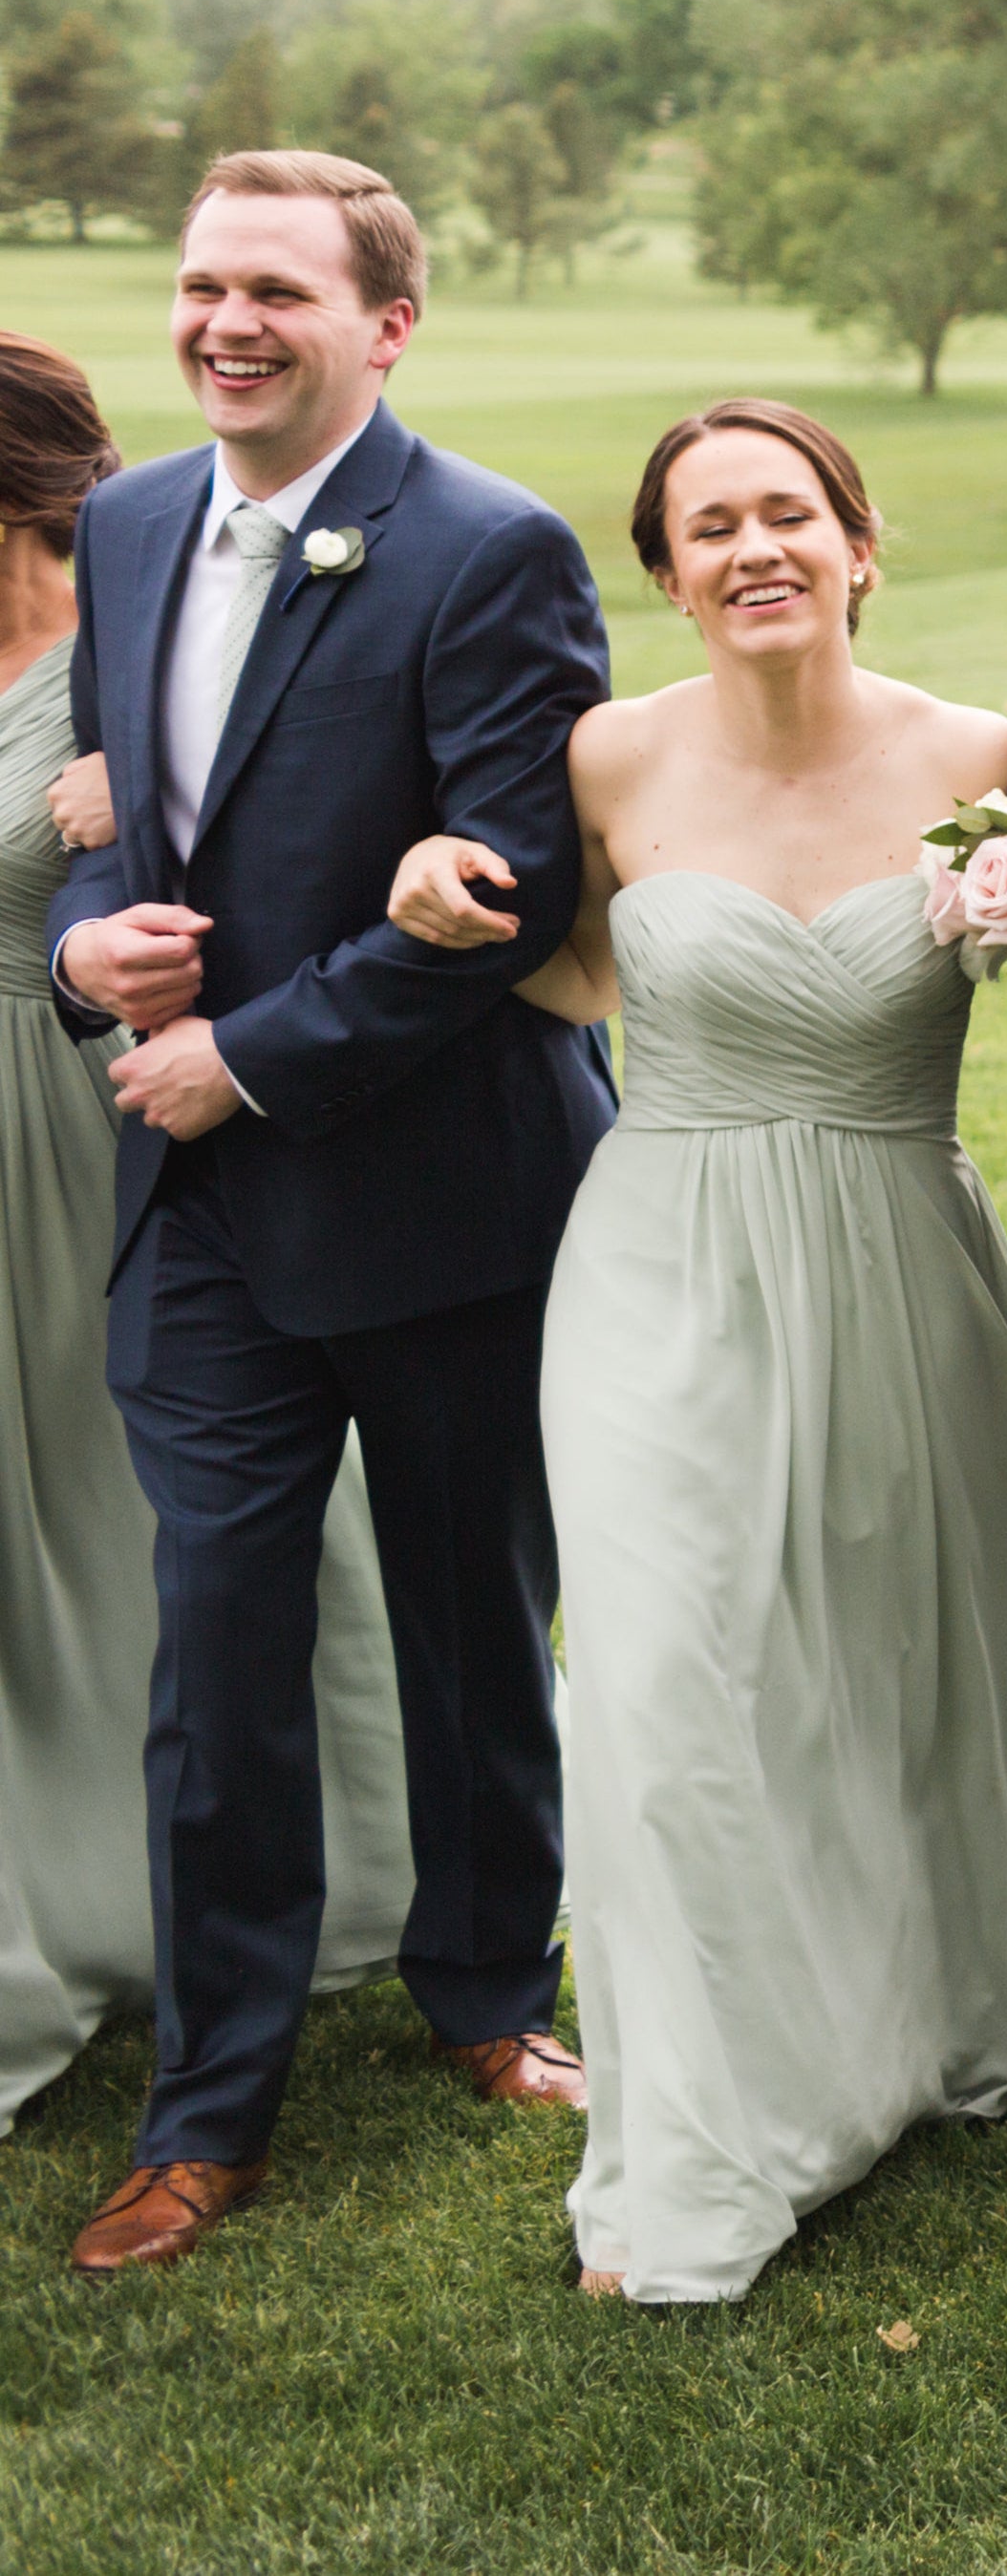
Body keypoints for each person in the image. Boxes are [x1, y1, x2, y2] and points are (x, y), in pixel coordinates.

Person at [378, 400, 1007, 2301]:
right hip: (663, 1255)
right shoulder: (601, 750)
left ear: (858, 540)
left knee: (893, 1651)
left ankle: (907, 2000)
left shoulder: (993, 762)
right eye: (709, 525)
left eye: (789, 513)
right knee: (664, 1683)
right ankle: (700, 2141)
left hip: (904, 1242)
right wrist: (424, 895)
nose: (756, 548)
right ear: (663, 573)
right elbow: (566, 963)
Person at [42, 153, 614, 2275]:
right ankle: (211, 2105)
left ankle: (486, 1986)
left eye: (276, 286)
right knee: (220, 1649)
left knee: (476, 1619)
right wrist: (89, 954)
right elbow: (114, 822)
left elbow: (512, 891)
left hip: (443, 1192)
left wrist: (252, 1051)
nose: (224, 321)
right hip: (193, 1210)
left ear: (389, 322)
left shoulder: (490, 550)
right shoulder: (121, 522)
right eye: (202, 283)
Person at [0, 330, 417, 2142]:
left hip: (109, 1130)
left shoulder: (140, 626)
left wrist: (103, 815)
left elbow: (284, 824)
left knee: (172, 1509)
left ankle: (289, 1869)